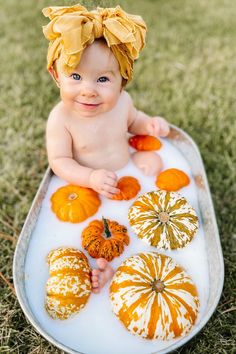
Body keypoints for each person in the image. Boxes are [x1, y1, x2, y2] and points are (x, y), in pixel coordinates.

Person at [42, 4, 170, 293]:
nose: (88, 89)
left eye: (102, 79)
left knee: (134, 229)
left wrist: (149, 126)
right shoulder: (61, 119)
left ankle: (130, 264)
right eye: (75, 76)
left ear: (122, 82)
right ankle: (100, 270)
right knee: (91, 234)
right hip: (86, 191)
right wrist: (89, 178)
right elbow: (59, 161)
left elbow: (134, 121)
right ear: (56, 74)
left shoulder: (122, 104)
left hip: (128, 180)